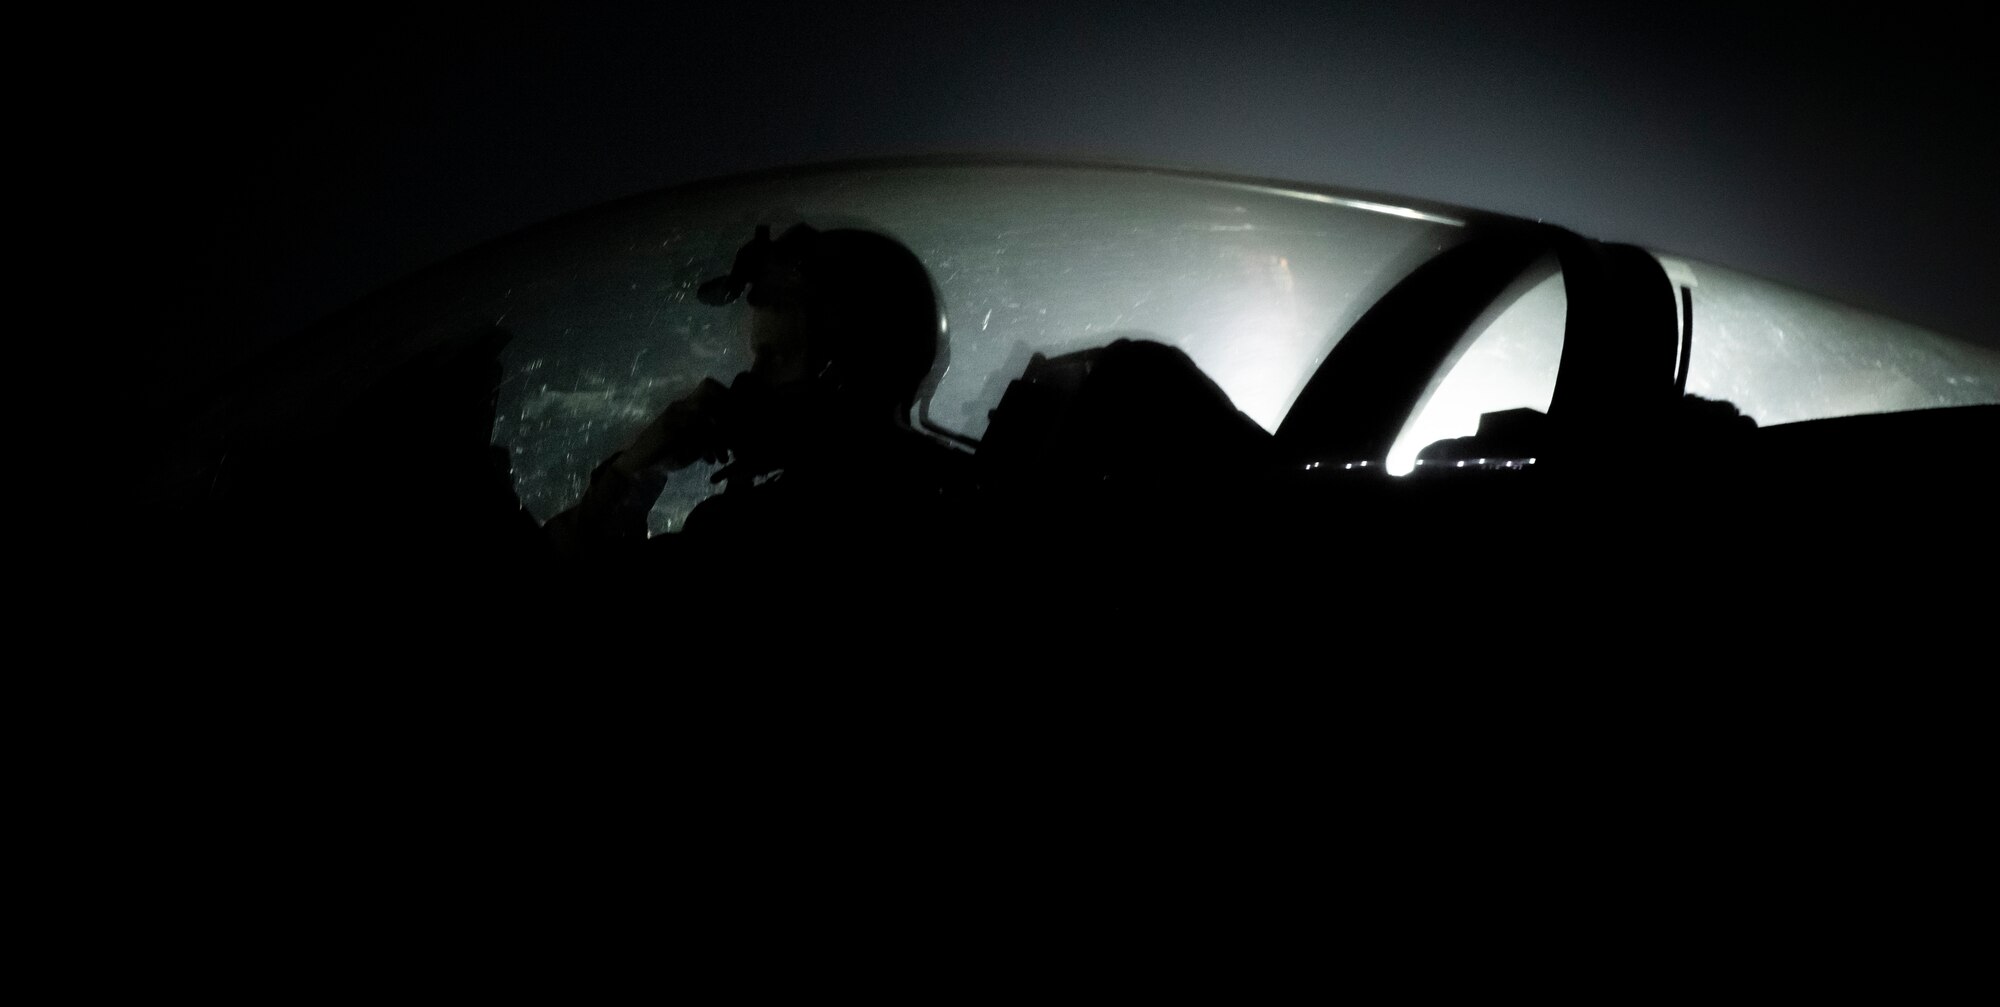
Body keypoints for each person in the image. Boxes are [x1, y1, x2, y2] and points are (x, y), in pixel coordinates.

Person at [544, 224, 969, 571]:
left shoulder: (762, 534)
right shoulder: (950, 483)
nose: (749, 382)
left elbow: (579, 594)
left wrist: (637, 465)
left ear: (841, 375)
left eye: (775, 357)